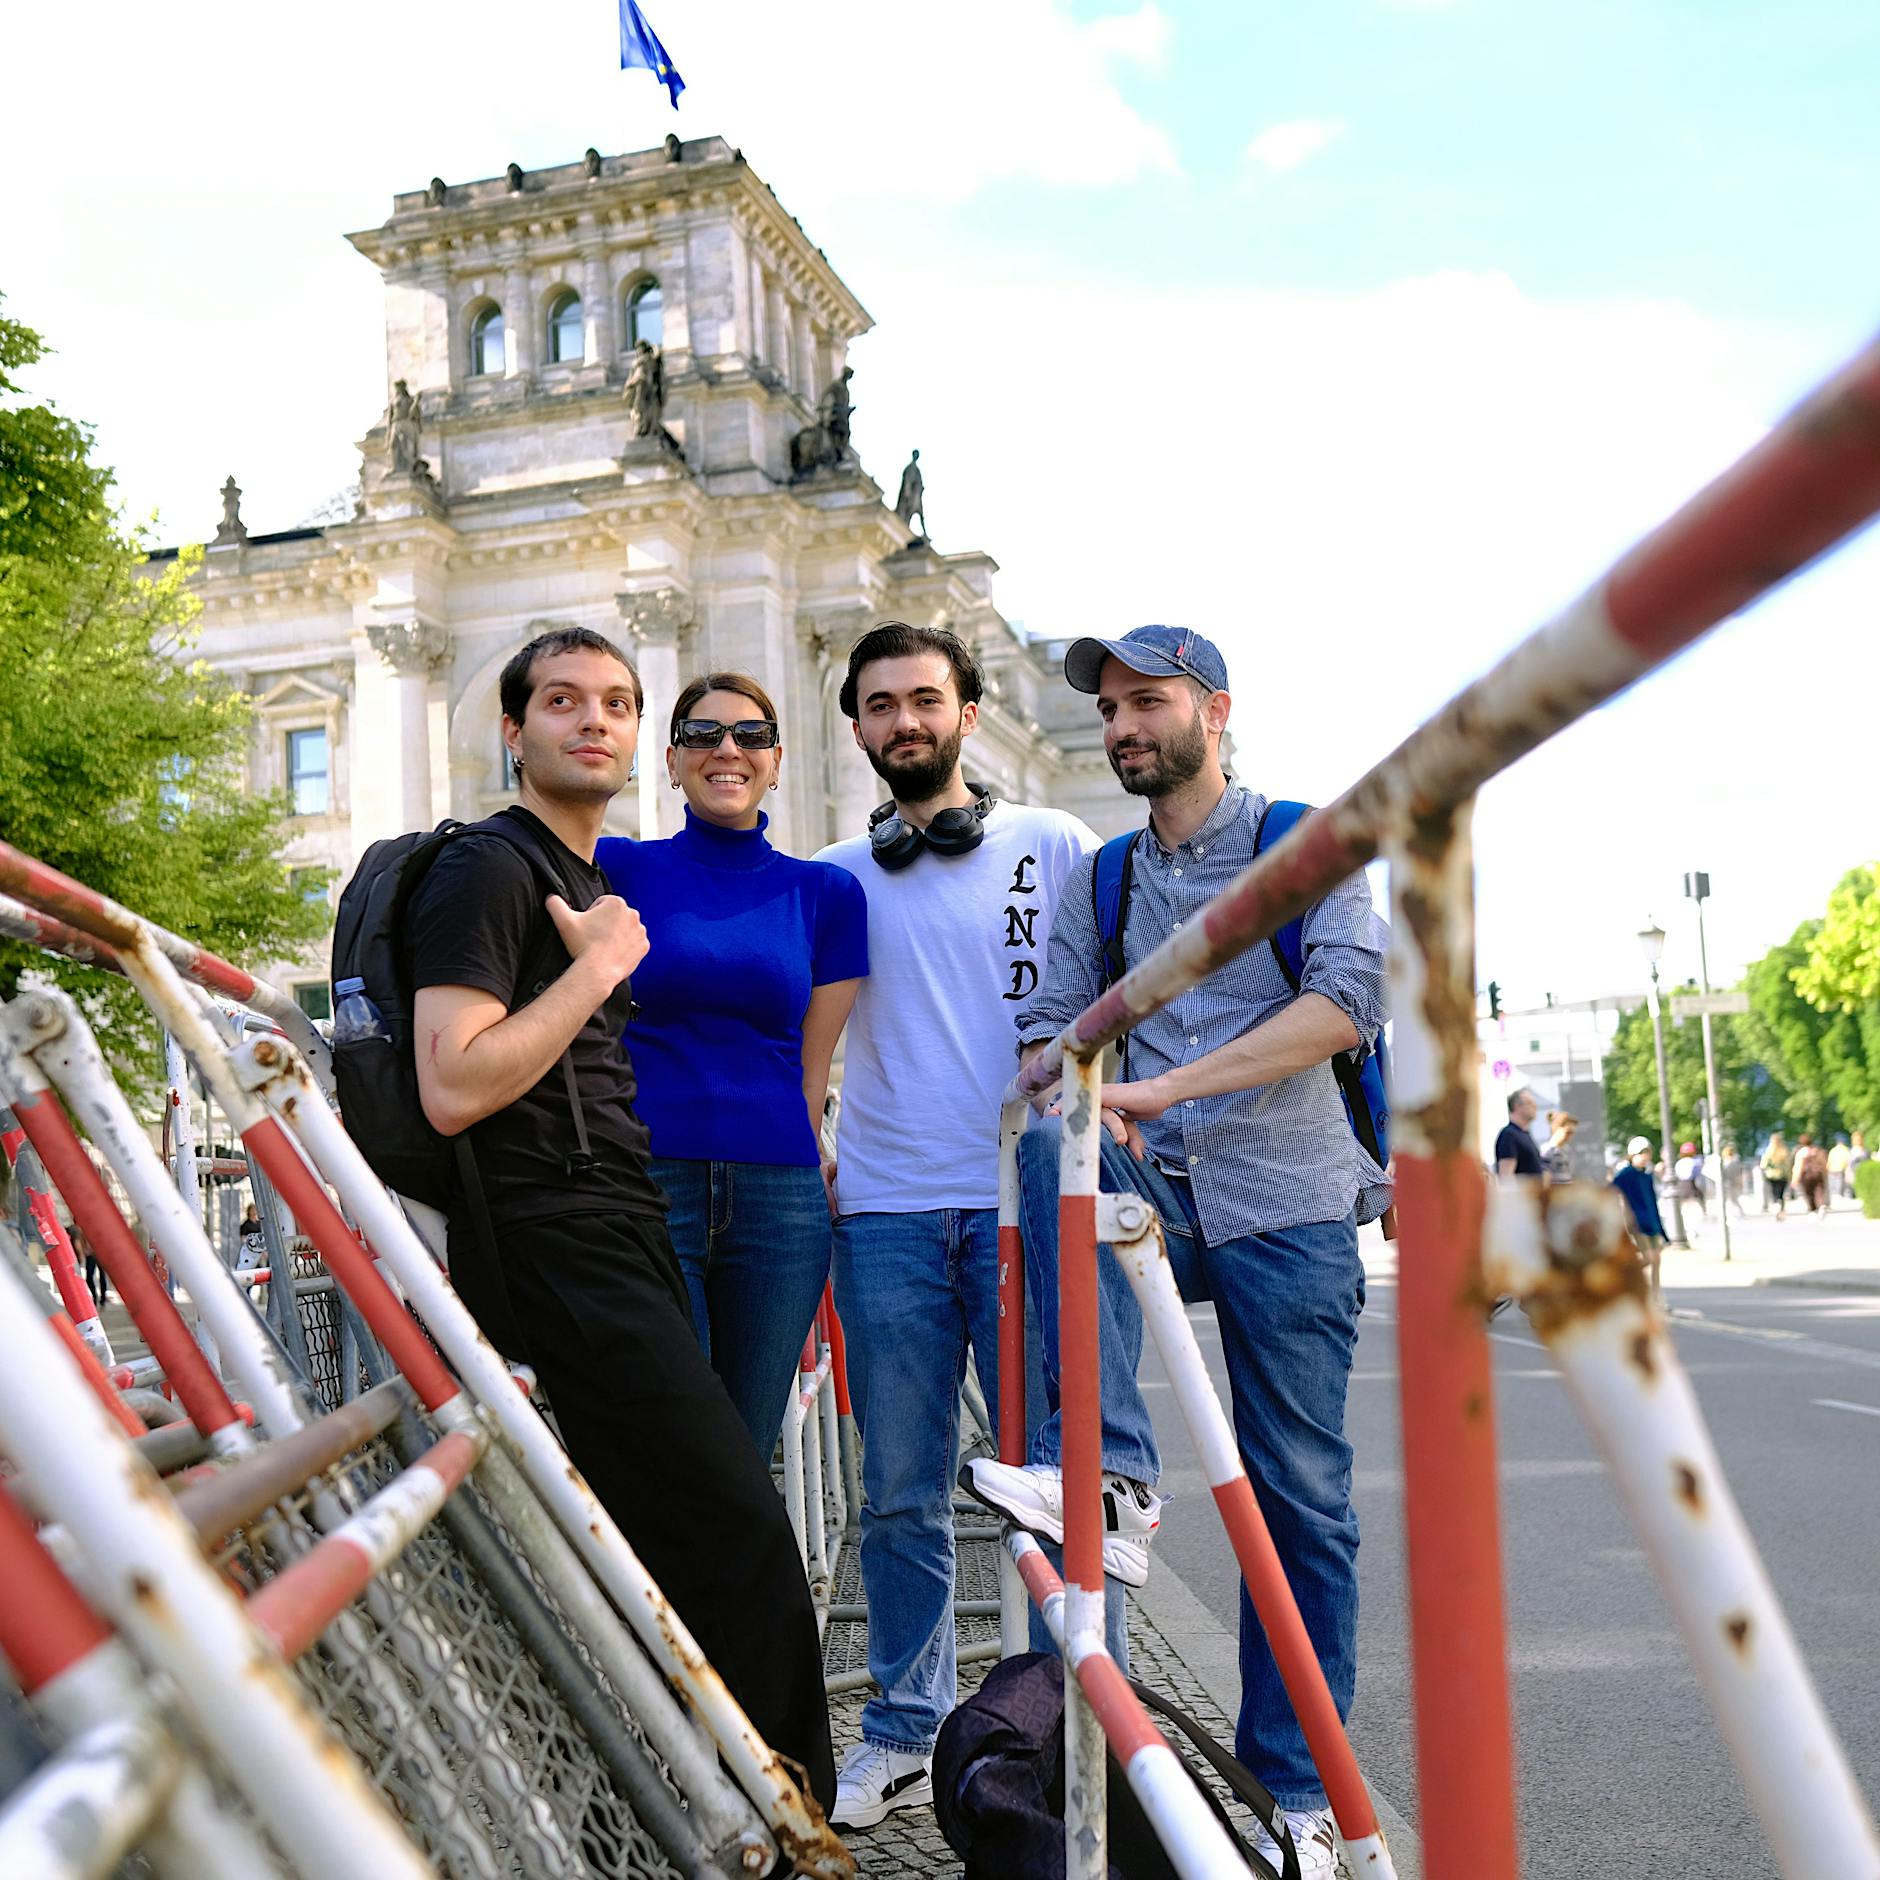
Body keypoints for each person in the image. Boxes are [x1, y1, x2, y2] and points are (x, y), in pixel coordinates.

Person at [967, 624, 1390, 1880]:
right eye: (1106, 708)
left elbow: (1342, 1005)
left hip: (1286, 1195)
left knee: (1298, 1497)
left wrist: (1163, 1087)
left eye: (1145, 701)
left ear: (1214, 709)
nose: (1120, 726)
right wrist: (1060, 1064)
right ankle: (1114, 1478)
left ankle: (1298, 1791)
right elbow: (1052, 1023)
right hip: (1152, 1182)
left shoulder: (1300, 840)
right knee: (1052, 1144)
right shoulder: (1104, 878)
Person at [406, 626, 835, 1808]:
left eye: (615, 702)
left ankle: (659, 1796)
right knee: (739, 1529)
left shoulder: (584, 877)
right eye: (560, 700)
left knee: (672, 1526)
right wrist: (597, 971)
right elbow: (454, 1084)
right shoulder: (492, 870)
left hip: (616, 1218)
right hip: (559, 1234)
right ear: (512, 728)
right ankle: (777, 1815)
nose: (592, 720)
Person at [812, 620, 1095, 1831]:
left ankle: (1075, 1719)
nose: (903, 722)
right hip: (881, 1210)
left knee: (1058, 1486)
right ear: (860, 729)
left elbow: (1108, 997)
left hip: (1020, 1212)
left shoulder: (1052, 842)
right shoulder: (832, 873)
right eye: (879, 705)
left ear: (967, 713)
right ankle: (903, 1726)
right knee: (898, 1491)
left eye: (923, 698)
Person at [595, 673, 867, 1454]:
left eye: (750, 736)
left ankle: (731, 1582)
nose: (728, 750)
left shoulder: (827, 894)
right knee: (670, 1436)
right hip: (649, 1184)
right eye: (703, 734)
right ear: (672, 761)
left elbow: (812, 1070)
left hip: (779, 1202)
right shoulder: (619, 868)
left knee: (745, 1448)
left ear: (776, 761)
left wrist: (811, 1155)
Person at [1612, 1135, 1669, 1298]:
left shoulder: (1647, 1176)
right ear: (1632, 1155)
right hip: (1637, 1223)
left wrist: (1662, 1230)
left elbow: (1652, 1202)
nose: (1645, 1157)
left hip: (1651, 1222)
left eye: (1647, 1153)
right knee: (1649, 1257)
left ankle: (1656, 1296)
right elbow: (1611, 1191)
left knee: (1656, 1259)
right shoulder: (1625, 1175)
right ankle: (1626, 1278)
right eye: (1641, 1153)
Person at [1496, 1089, 1544, 1177]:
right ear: (1517, 1106)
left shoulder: (1525, 1134)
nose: (1535, 1106)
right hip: (1522, 1190)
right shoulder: (1509, 1135)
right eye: (1530, 1103)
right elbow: (1506, 1176)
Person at [1795, 1134, 1830, 1215]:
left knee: (1808, 1193)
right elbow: (1824, 1163)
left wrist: (1795, 1179)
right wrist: (1825, 1173)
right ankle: (1821, 1205)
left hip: (1806, 1175)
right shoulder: (1817, 1150)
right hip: (1818, 1173)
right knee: (1819, 1191)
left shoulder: (1801, 1152)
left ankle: (1812, 1209)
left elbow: (1798, 1166)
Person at [1761, 1131, 1792, 1220]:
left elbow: (1763, 1164)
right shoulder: (1784, 1151)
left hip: (1771, 1175)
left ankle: (1776, 1206)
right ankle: (1781, 1209)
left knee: (1774, 1193)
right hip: (1783, 1175)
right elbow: (1788, 1164)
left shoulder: (1768, 1151)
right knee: (1781, 1194)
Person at [1542, 1110, 1579, 1183]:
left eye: (1572, 1133)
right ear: (1556, 1128)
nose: (1570, 1137)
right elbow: (1545, 1179)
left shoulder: (1567, 1150)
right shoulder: (1546, 1151)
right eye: (1568, 1133)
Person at [1674, 1141, 1708, 1220]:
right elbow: (1698, 1174)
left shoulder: (1678, 1163)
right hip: (1692, 1185)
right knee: (1699, 1202)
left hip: (1681, 1186)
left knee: (1684, 1209)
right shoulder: (1695, 1162)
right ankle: (1704, 1211)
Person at [1828, 1136, 1852, 1200]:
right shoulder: (1845, 1149)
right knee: (1841, 1182)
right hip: (1841, 1168)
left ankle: (1835, 1194)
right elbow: (1848, 1160)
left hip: (1832, 1169)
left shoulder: (1833, 1149)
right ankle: (1840, 1195)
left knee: (1833, 1182)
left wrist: (1827, 1169)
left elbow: (1829, 1160)